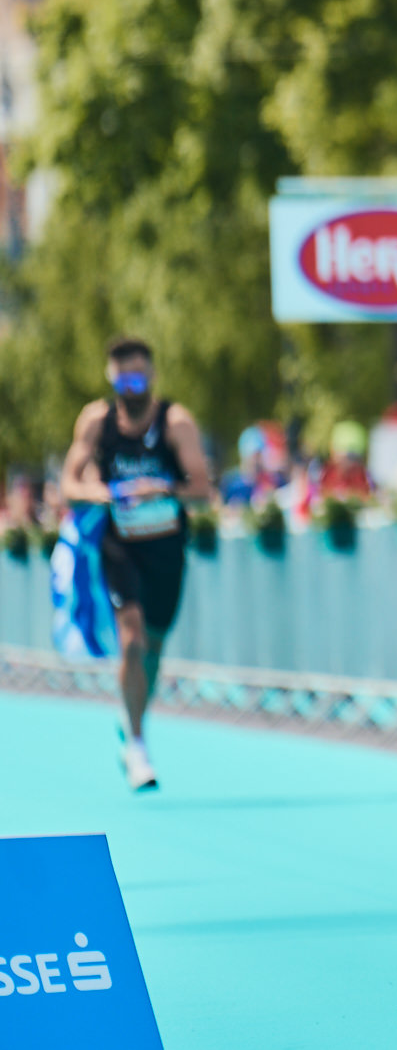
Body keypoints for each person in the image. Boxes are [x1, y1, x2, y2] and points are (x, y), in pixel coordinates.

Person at [58, 337, 213, 790]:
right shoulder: (96, 421)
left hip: (165, 546)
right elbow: (69, 483)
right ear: (111, 379)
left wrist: (160, 489)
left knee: (155, 645)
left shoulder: (175, 422)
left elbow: (202, 490)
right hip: (119, 544)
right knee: (131, 636)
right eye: (123, 378)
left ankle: (133, 718)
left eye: (139, 377)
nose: (132, 386)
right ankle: (139, 746)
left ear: (152, 376)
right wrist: (101, 493)